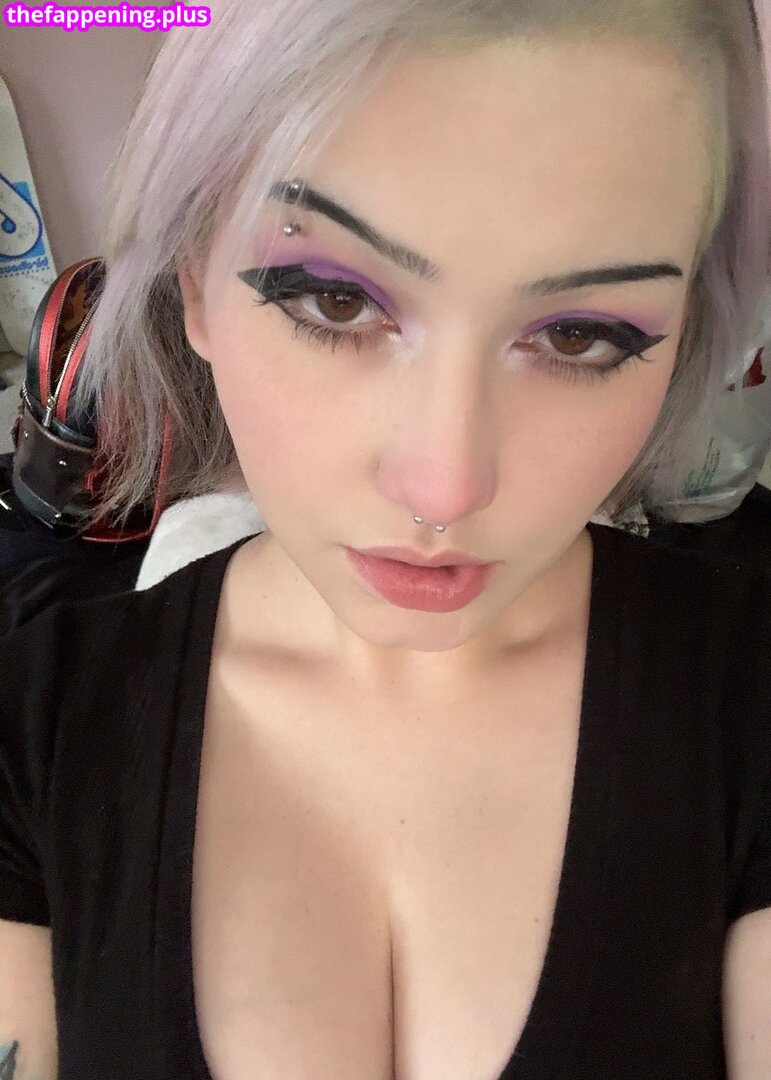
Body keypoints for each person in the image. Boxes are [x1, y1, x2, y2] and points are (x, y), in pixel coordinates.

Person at [1, 0, 770, 1077]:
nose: (444, 485)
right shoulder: (30, 717)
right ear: (194, 288)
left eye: (579, 334)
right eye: (331, 301)